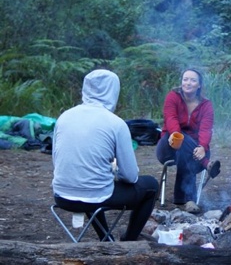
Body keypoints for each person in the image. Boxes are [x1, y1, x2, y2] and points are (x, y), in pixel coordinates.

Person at [52, 69, 159, 241]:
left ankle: (105, 239)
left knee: (92, 181)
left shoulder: (64, 117)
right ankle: (129, 241)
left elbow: (57, 162)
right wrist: (114, 171)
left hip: (61, 196)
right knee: (151, 186)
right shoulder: (115, 124)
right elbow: (131, 177)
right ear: (113, 91)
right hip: (94, 197)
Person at [156, 68, 220, 213]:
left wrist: (203, 146)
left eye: (192, 80)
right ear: (181, 81)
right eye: (185, 79)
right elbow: (171, 118)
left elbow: (205, 129)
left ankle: (186, 200)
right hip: (169, 146)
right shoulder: (173, 97)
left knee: (186, 153)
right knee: (182, 140)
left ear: (199, 85)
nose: (188, 83)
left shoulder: (206, 105)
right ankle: (206, 165)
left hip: (194, 151)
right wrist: (176, 134)